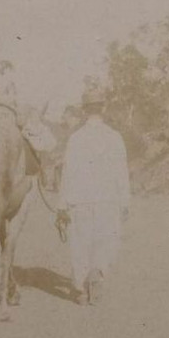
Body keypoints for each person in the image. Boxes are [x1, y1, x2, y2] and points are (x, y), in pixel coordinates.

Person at [58, 88, 130, 305]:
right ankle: (97, 272)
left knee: (80, 243)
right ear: (104, 108)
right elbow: (122, 172)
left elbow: (67, 172)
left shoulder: (76, 139)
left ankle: (80, 289)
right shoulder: (115, 138)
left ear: (84, 111)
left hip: (79, 200)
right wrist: (125, 202)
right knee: (106, 240)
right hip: (108, 199)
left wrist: (62, 204)